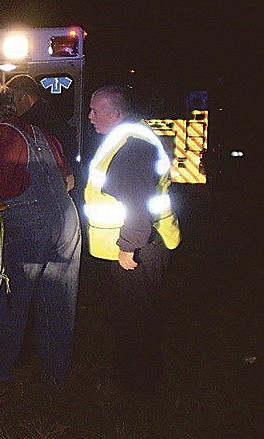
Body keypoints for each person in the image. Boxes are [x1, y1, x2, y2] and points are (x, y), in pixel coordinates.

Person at [0, 87, 81, 391]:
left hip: (29, 224)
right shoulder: (42, 134)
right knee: (58, 302)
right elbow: (69, 181)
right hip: (67, 221)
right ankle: (56, 377)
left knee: (9, 299)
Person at [84, 85, 181, 395]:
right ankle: (140, 380)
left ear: (116, 113)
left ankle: (139, 386)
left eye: (96, 111)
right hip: (144, 244)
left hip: (139, 248)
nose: (89, 117)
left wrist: (128, 246)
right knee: (137, 315)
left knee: (136, 319)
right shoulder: (129, 139)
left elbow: (137, 201)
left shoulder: (131, 145)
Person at [6, 74, 75, 191]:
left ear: (23, 97)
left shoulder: (32, 124)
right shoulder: (51, 115)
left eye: (12, 101)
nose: (10, 107)